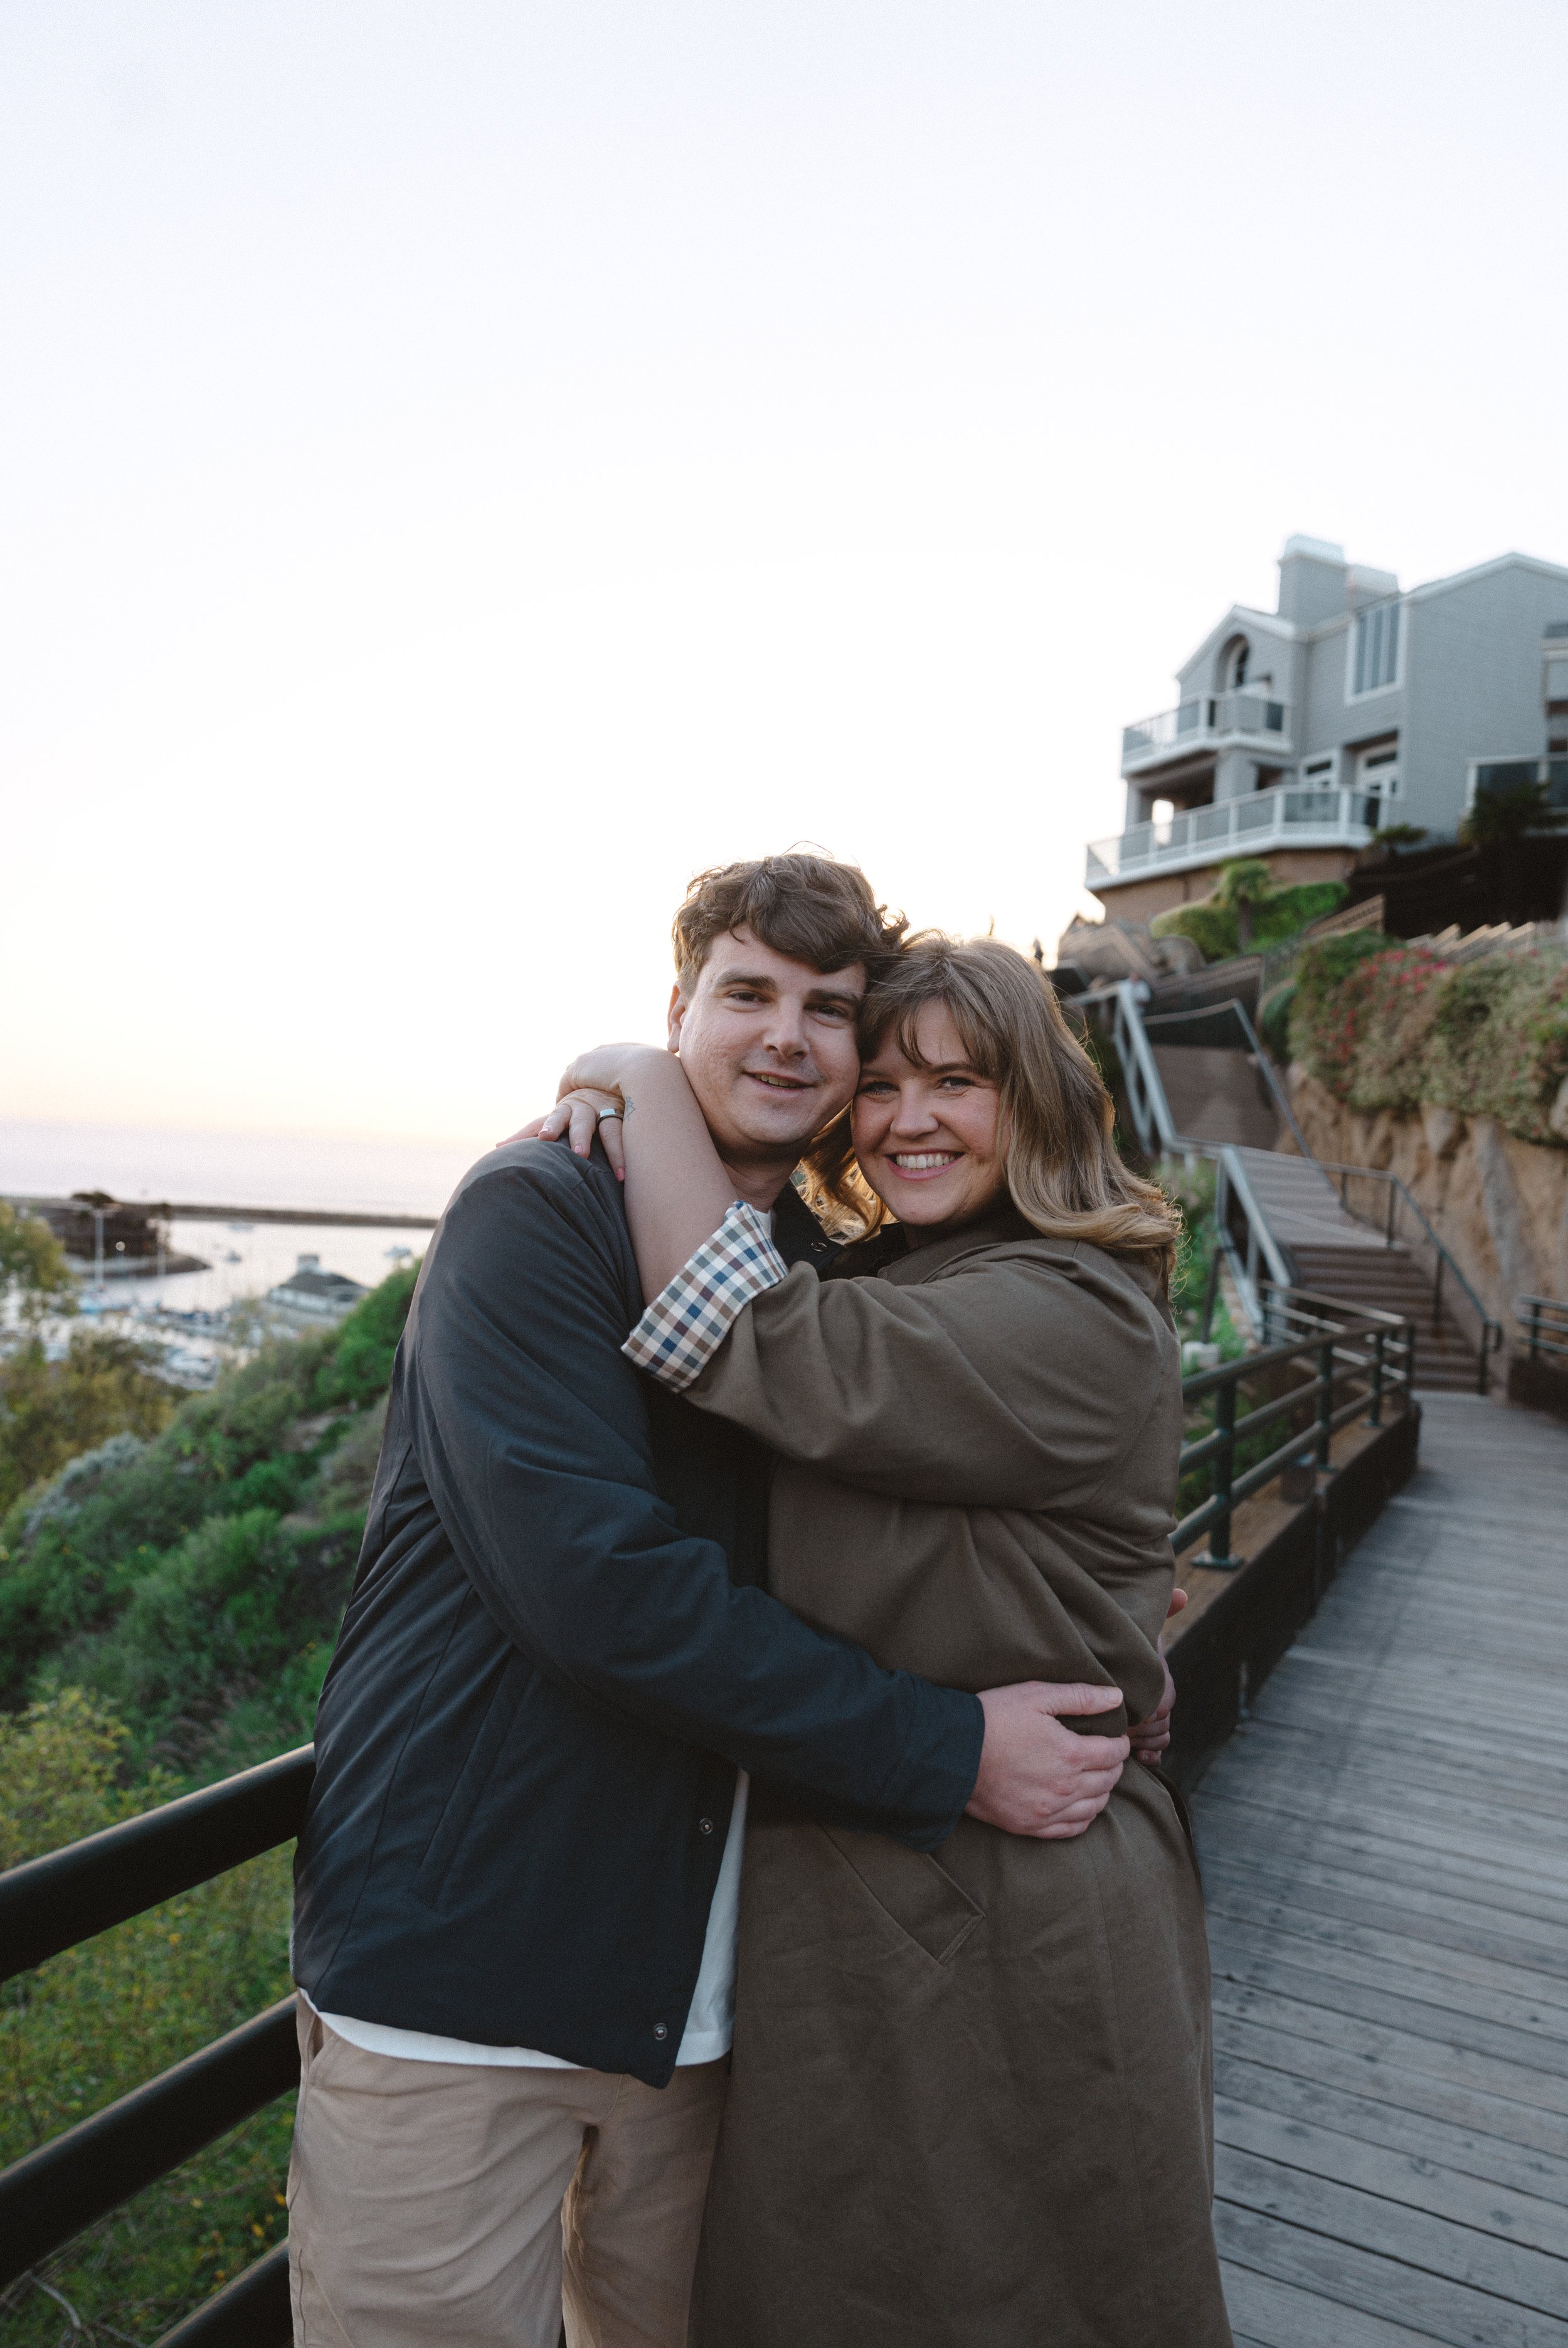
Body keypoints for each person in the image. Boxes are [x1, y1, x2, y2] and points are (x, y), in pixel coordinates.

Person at [286, 858, 1138, 2348]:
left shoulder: (825, 1272)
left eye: (831, 1013)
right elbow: (603, 1593)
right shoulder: (536, 1212)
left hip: (712, 2006)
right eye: (745, 995)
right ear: (679, 1012)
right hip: (470, 1969)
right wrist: (944, 1749)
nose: (790, 1041)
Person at [545, 931, 1230, 2348]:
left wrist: (633, 1073)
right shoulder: (924, 1272)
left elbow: (739, 1337)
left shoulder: (1065, 1303)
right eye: (885, 1085)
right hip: (881, 1893)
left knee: (1015, 2289)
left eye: (957, 1083)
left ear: (1034, 1098)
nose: (908, 1120)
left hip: (1007, 1911)